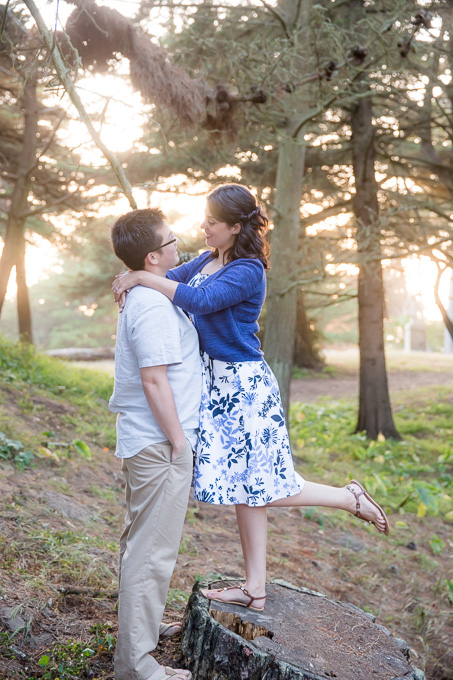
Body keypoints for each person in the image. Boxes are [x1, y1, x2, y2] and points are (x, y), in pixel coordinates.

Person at [113, 184, 389, 614]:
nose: (202, 228)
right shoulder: (208, 259)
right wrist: (134, 277)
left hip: (244, 388)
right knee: (245, 488)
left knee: (258, 485)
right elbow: (169, 279)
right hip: (215, 387)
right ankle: (255, 589)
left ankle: (347, 497)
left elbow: (198, 301)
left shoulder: (247, 270)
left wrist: (140, 276)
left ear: (236, 227)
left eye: (212, 222)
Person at [109, 208, 199, 680]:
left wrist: (133, 276)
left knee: (140, 545)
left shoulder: (147, 292)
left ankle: (138, 631)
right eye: (171, 239)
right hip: (160, 445)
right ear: (153, 255)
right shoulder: (151, 305)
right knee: (151, 552)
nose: (178, 243)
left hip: (149, 441)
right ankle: (137, 664)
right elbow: (154, 381)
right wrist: (180, 443)